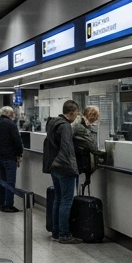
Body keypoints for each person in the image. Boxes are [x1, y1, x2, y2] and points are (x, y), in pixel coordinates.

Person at [43, 100, 80, 243]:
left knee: (58, 198)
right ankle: (64, 234)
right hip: (64, 167)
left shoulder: (52, 123)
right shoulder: (65, 127)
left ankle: (56, 232)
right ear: (71, 112)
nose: (77, 116)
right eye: (76, 113)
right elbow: (67, 149)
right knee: (66, 200)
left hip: (54, 166)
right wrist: (73, 169)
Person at [0, 105, 23, 211]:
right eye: (12, 113)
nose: (13, 115)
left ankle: (0, 202)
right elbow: (17, 141)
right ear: (9, 114)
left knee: (1, 180)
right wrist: (19, 153)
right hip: (9, 157)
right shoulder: (11, 125)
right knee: (10, 181)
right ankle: (8, 204)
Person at [74, 105, 108, 189]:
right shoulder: (81, 128)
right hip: (78, 163)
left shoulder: (79, 124)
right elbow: (93, 149)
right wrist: (107, 154)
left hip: (77, 162)